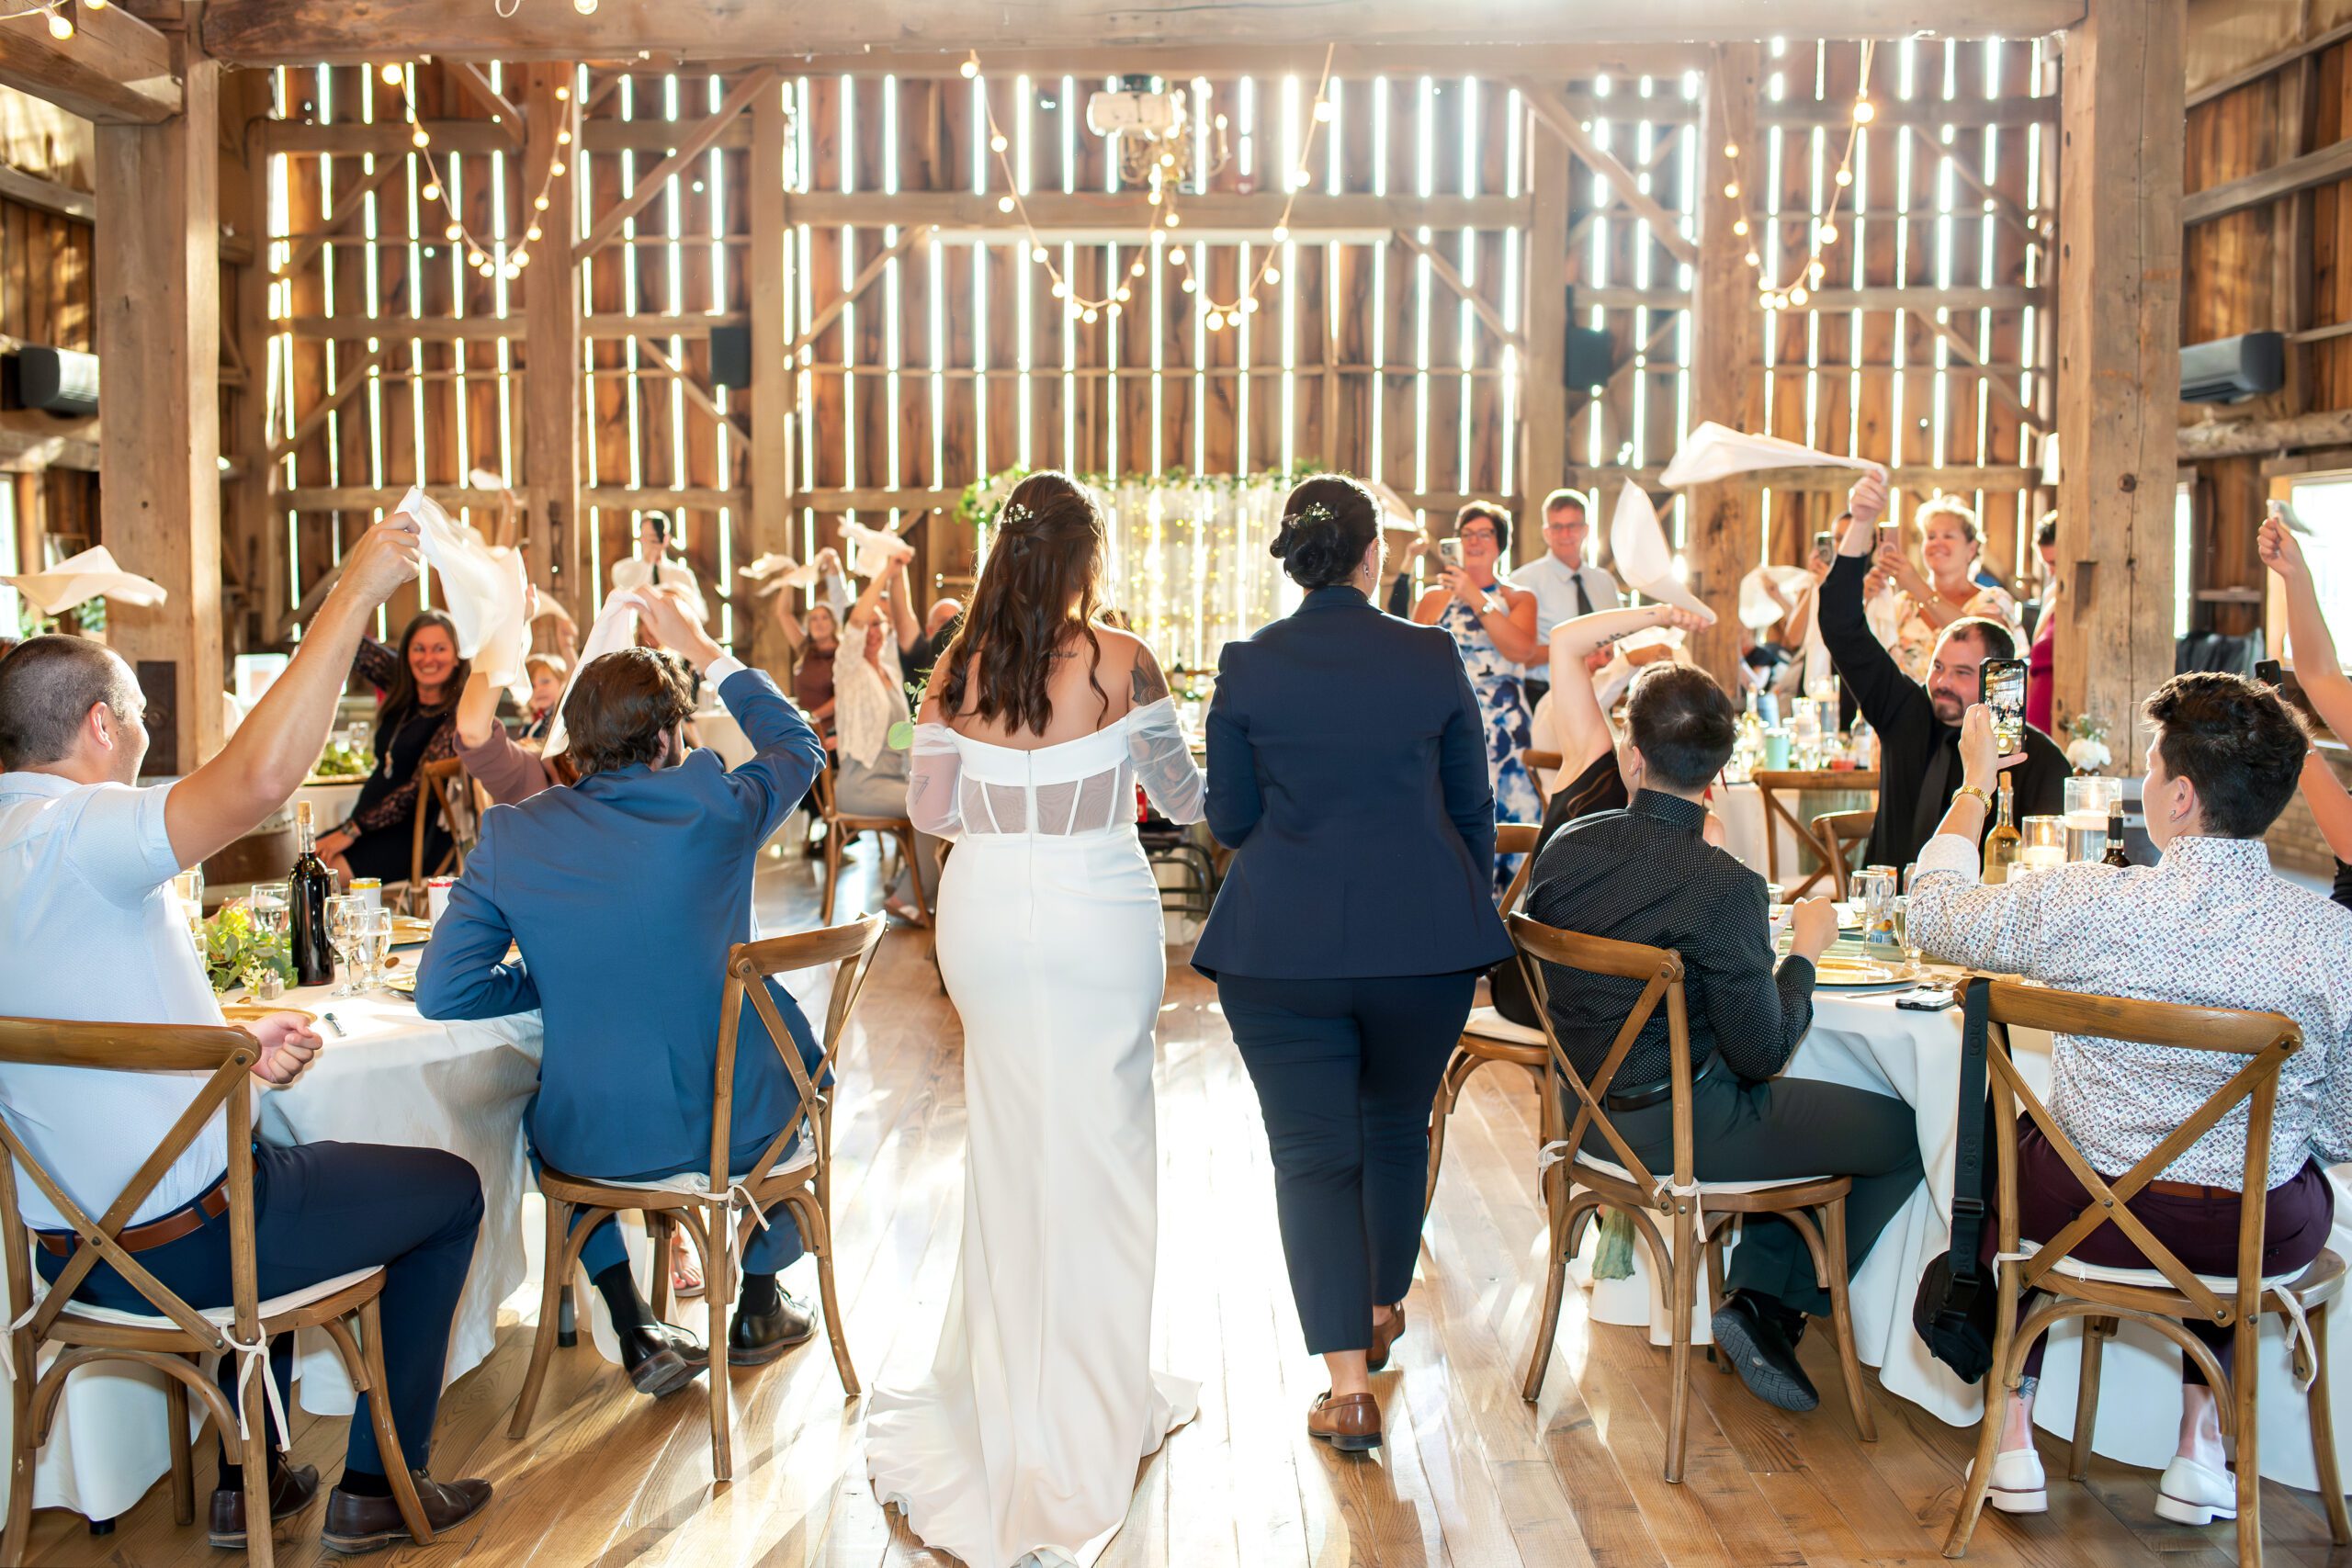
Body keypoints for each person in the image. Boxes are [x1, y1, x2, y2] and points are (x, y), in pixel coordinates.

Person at [0, 516, 492, 1553]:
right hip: (188, 1253)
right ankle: (375, 1487)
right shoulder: (83, 830)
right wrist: (356, 589)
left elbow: (77, 1017)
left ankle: (250, 1473)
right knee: (450, 1191)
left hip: (62, 1257)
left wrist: (228, 1041)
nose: (144, 735)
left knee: (245, 1146)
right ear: (100, 726)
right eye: (137, 715)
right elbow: (262, 782)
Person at [1907, 680, 2352, 1525]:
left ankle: (2011, 1437)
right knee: (2264, 1175)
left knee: (2021, 1154)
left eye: (2150, 767)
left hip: (2077, 1213)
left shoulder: (2089, 902)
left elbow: (1932, 916)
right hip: (2243, 1235)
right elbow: (2344, 1124)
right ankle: (2198, 1447)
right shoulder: (2334, 939)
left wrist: (1973, 787)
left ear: (2180, 797)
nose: (2145, 783)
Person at [867, 469, 1204, 1568]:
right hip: (1096, 909)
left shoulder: (959, 663)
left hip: (984, 916)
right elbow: (1186, 799)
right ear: (1083, 561)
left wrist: (1003, 801)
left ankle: (1009, 1396)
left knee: (1011, 1142)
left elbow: (925, 810)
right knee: (1104, 1146)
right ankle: (1094, 1403)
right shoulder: (1119, 659)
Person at [416, 585, 831, 1396]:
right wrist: (708, 648)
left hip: (599, 1141)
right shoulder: (717, 802)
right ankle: (755, 1297)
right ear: (674, 736)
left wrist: (550, 979)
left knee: (545, 1119)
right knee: (794, 1081)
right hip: (739, 1130)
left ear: (576, 741)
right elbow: (799, 743)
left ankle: (631, 1315)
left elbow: (445, 989)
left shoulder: (515, 832)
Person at [1194, 474, 1512, 1455]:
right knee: (1393, 1125)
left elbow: (1232, 820)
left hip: (1281, 949)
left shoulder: (1247, 666)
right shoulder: (1427, 658)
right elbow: (1473, 810)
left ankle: (1346, 1388)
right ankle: (1378, 1305)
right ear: (1374, 556)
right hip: (1423, 944)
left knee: (1311, 1159)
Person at [1522, 661, 1924, 1413]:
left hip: (1582, 1121)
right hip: (1679, 1134)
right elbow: (1762, 1053)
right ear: (1720, 770)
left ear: (1631, 753)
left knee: (1808, 1110)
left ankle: (1758, 1297)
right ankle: (1772, 1306)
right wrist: (1803, 951)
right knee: (1905, 1130)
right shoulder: (1724, 885)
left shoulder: (1567, 845)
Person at [1822, 471, 2066, 871]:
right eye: (1938, 667)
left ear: (1996, 680)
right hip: (1890, 921)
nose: (1942, 683)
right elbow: (1839, 626)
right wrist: (1861, 521)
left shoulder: (2037, 759)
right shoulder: (1905, 711)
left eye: (1962, 673)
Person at [1408, 502, 1543, 887]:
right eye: (1468, 534)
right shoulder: (1434, 598)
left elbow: (1520, 650)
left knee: (1512, 819)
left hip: (1507, 728)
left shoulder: (1519, 599)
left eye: (1485, 534)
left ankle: (1509, 917)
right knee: (1451, 816)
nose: (1475, 541)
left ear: (1500, 543)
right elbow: (1415, 662)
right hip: (1452, 723)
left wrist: (1474, 595)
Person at [313, 609, 467, 887]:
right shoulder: (403, 687)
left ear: (457, 655)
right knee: (309, 860)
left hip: (415, 835)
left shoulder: (458, 714)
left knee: (323, 875)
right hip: (369, 826)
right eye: (418, 648)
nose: (428, 658)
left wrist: (351, 829)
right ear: (406, 654)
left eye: (440, 649)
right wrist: (349, 594)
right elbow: (352, 644)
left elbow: (417, 790)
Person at [1876, 495, 2021, 685]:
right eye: (1931, 536)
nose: (1937, 543)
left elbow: (1984, 644)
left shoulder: (1993, 600)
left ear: (1971, 548)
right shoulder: (1903, 604)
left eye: (1948, 536)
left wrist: (1919, 588)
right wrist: (1872, 599)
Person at [1512, 488, 1623, 708]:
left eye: (1573, 526)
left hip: (1601, 693)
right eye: (1557, 527)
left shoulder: (1604, 582)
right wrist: (1578, 651)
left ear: (1585, 530)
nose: (1565, 535)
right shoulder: (1523, 582)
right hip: (1545, 696)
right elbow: (1518, 653)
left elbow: (1618, 639)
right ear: (1546, 532)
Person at [772, 584, 842, 748]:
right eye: (814, 619)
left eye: (825, 618)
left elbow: (844, 696)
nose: (819, 623)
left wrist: (812, 716)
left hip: (831, 730)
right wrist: (788, 581)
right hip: (806, 726)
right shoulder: (805, 649)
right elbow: (782, 613)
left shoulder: (842, 654)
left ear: (834, 623)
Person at [608, 511, 708, 624]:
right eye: (648, 536)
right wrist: (649, 562)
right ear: (640, 538)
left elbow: (701, 615)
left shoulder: (682, 574)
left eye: (657, 536)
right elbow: (626, 605)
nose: (653, 541)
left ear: (667, 538)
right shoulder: (623, 570)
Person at [2024, 513, 2059, 735]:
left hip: (2059, 710)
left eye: (2055, 562)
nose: (2051, 572)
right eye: (2046, 564)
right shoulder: (2051, 594)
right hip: (2037, 709)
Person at [518, 652, 565, 742]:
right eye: (532, 685)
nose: (538, 689)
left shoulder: (562, 719)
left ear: (561, 683)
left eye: (545, 682)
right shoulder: (527, 729)